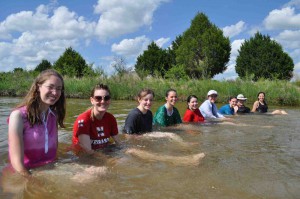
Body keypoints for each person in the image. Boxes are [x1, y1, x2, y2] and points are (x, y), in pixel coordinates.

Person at [7, 69, 66, 178]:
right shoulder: (18, 116)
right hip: (25, 173)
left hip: (50, 169)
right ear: (38, 87)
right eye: (50, 87)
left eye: (59, 89)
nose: (55, 92)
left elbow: (55, 153)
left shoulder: (54, 116)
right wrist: (32, 181)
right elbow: (17, 164)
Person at [72, 84, 121, 154]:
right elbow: (88, 151)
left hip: (102, 151)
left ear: (109, 100)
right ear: (92, 100)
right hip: (83, 157)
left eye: (106, 98)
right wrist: (111, 161)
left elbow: (119, 143)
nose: (103, 101)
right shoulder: (84, 120)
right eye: (98, 98)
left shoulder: (111, 119)